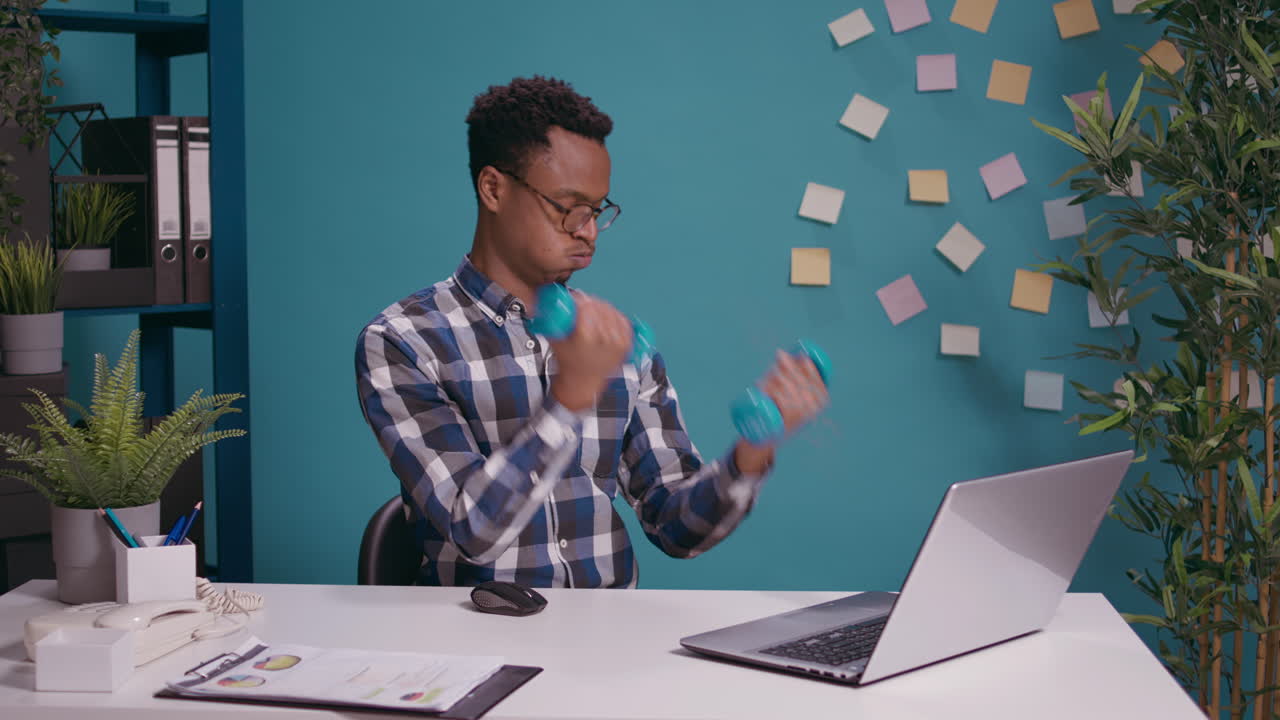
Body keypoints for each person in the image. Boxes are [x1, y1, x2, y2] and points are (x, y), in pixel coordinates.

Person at [355, 75, 828, 588]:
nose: (587, 231)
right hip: (478, 640)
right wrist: (571, 397)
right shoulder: (403, 341)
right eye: (568, 208)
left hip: (609, 643)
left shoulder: (615, 343)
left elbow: (677, 529)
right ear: (493, 188)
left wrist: (751, 453)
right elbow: (473, 531)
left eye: (598, 210)